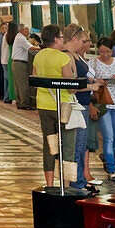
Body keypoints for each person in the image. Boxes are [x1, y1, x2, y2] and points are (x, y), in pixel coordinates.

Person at [32, 25, 77, 189]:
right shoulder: (62, 58)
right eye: (61, 36)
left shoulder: (38, 56)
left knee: (49, 144)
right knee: (68, 145)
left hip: (44, 105)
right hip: (63, 106)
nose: (63, 39)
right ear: (56, 39)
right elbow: (71, 86)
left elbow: (36, 82)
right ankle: (66, 184)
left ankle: (49, 184)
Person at [63, 24, 102, 194]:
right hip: (77, 104)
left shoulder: (77, 56)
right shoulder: (68, 56)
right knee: (77, 145)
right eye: (84, 41)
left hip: (83, 103)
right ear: (74, 39)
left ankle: (79, 180)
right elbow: (72, 84)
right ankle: (76, 183)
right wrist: (91, 87)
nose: (85, 44)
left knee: (81, 144)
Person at [92, 35, 115, 180]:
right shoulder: (93, 63)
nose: (105, 55)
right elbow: (89, 80)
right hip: (102, 103)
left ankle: (106, 156)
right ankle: (111, 170)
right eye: (102, 52)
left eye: (107, 51)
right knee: (108, 137)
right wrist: (97, 81)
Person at [11, 23, 33, 110]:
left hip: (16, 63)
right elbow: (30, 48)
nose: (28, 32)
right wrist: (40, 48)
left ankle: (19, 102)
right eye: (26, 30)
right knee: (23, 84)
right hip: (20, 64)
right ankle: (25, 103)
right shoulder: (21, 38)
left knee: (18, 84)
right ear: (21, 30)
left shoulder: (19, 37)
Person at [2, 20, 16, 104]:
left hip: (4, 60)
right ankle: (7, 97)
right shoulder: (12, 36)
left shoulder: (6, 35)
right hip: (8, 59)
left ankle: (6, 96)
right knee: (10, 80)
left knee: (6, 80)